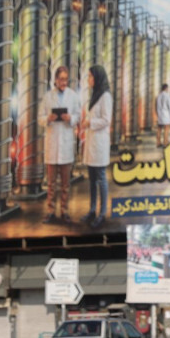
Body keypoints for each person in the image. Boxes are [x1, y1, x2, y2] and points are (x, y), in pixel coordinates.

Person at [39, 66, 80, 223]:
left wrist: (70, 118)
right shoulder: (48, 97)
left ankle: (64, 211)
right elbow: (40, 117)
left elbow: (78, 115)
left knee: (65, 184)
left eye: (66, 79)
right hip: (52, 144)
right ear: (55, 80)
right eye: (61, 79)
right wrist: (48, 118)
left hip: (66, 144)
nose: (64, 82)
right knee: (51, 184)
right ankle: (50, 211)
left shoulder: (73, 97)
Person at [81, 65, 113, 229]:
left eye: (90, 77)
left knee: (101, 179)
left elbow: (107, 120)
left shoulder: (105, 96)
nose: (89, 79)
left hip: (99, 144)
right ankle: (92, 210)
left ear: (98, 78)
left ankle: (102, 213)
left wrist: (90, 123)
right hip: (92, 142)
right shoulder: (96, 95)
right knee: (92, 180)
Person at [155, 83, 170, 147]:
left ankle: (158, 142)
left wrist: (157, 113)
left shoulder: (158, 96)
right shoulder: (168, 95)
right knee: (166, 128)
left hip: (160, 114)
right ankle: (165, 142)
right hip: (166, 114)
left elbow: (156, 106)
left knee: (159, 128)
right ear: (166, 88)